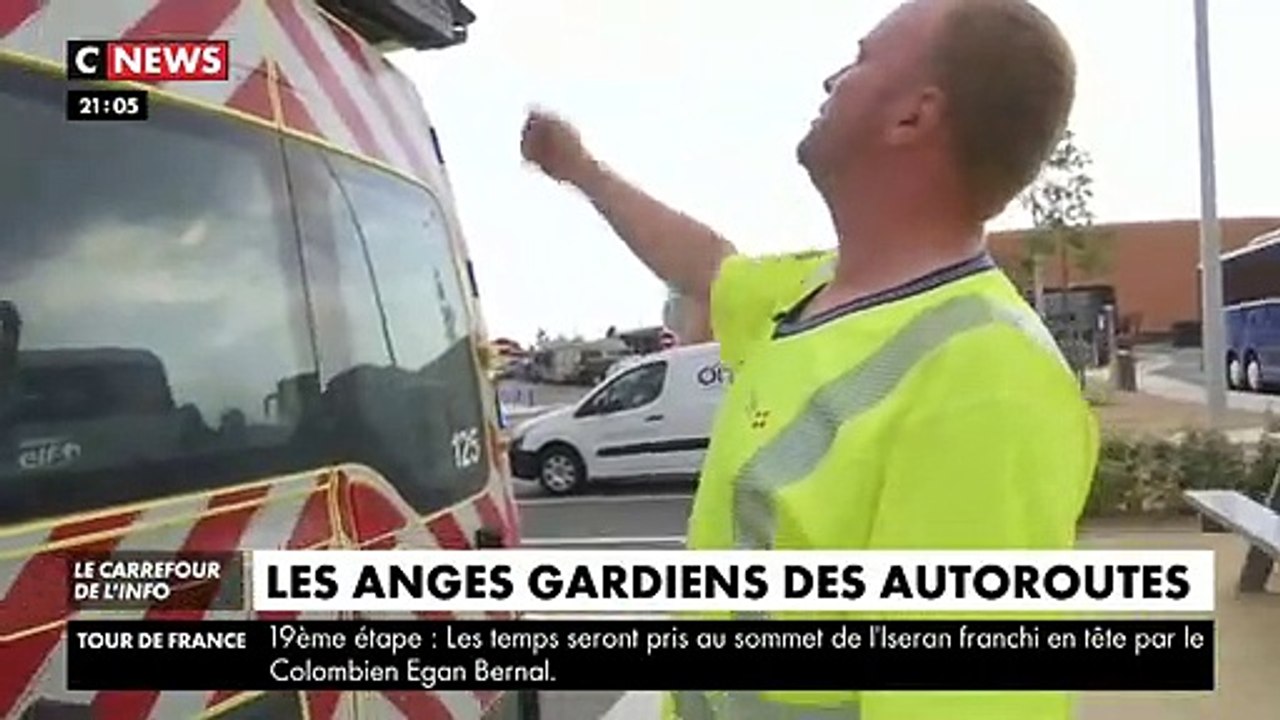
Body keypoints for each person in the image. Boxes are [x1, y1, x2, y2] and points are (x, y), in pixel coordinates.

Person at [521, 0, 1098, 717]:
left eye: (861, 59)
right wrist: (580, 169)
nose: (832, 80)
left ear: (912, 117)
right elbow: (706, 266)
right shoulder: (814, 291)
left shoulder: (989, 384)